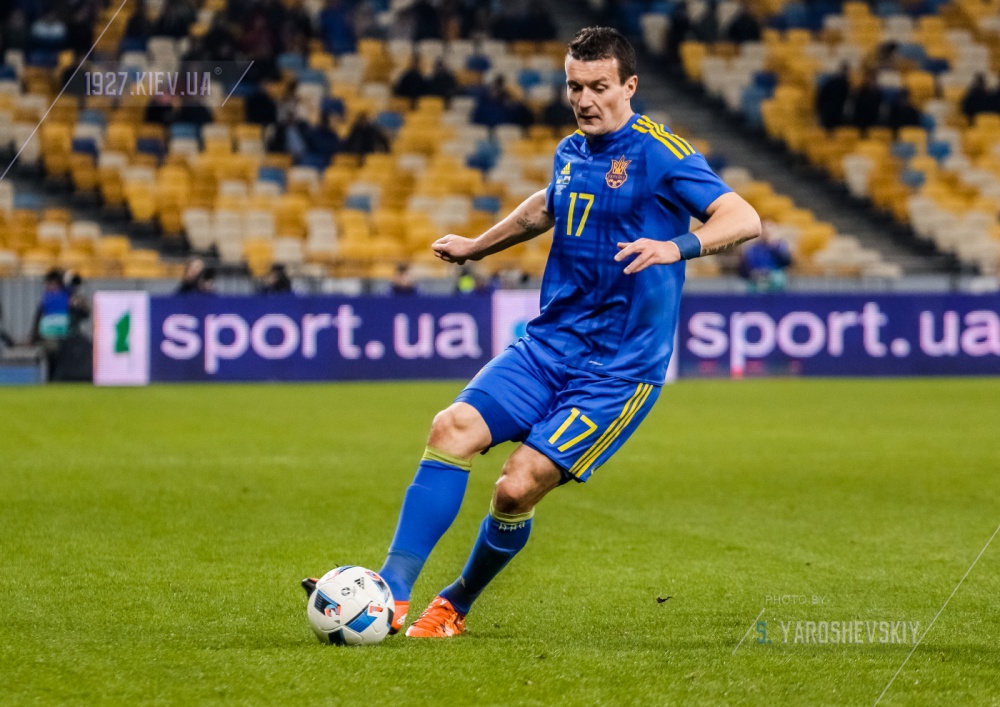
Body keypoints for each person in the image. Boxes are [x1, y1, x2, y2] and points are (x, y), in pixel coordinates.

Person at [310, 27, 760, 638]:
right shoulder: (571, 150)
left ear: (629, 86)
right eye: (575, 87)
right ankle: (392, 590)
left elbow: (743, 217)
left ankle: (455, 603)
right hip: (548, 346)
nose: (585, 100)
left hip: (617, 371)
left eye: (599, 87)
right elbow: (545, 206)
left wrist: (674, 246)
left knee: (515, 488)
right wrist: (477, 246)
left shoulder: (663, 153)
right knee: (451, 428)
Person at [738, 221, 791, 291]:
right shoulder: (753, 247)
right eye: (764, 228)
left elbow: (786, 262)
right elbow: (746, 266)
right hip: (757, 276)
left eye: (770, 228)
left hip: (774, 276)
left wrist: (773, 246)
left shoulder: (780, 245)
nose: (767, 231)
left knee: (778, 278)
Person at [816, 63, 850, 130]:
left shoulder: (842, 83)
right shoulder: (834, 83)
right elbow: (822, 97)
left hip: (834, 112)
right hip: (831, 112)